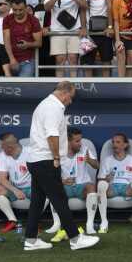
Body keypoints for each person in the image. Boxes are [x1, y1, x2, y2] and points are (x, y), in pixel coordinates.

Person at [23, 81, 98, 251]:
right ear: (64, 93)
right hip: (45, 160)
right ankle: (75, 238)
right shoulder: (52, 108)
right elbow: (52, 136)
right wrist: (56, 157)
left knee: (37, 201)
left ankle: (31, 239)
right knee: (60, 199)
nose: (70, 101)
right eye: (70, 98)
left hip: (37, 160)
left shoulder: (47, 105)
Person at [54, 128, 99, 237]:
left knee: (91, 187)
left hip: (82, 186)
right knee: (53, 188)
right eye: (77, 141)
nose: (80, 143)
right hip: (65, 186)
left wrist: (90, 161)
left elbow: (97, 165)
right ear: (68, 142)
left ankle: (89, 224)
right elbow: (51, 173)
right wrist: (63, 181)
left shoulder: (85, 149)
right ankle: (57, 224)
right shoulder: (59, 152)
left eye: (81, 140)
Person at [45, 0, 87, 78]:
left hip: (75, 29)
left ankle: (73, 85)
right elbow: (46, 8)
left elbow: (84, 7)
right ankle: (60, 86)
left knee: (73, 59)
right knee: (60, 59)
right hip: (56, 29)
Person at [80, 0, 115, 77]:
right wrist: (84, 27)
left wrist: (110, 27)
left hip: (105, 27)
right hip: (88, 28)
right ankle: (88, 88)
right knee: (87, 62)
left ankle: (108, 88)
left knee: (106, 60)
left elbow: (109, 5)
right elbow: (82, 7)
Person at [3, 0, 42, 77]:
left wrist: (28, 44)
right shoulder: (7, 19)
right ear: (11, 7)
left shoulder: (33, 20)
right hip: (11, 59)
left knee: (25, 87)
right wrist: (12, 59)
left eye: (20, 10)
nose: (17, 13)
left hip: (28, 60)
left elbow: (39, 43)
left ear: (26, 7)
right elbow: (6, 41)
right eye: (15, 10)